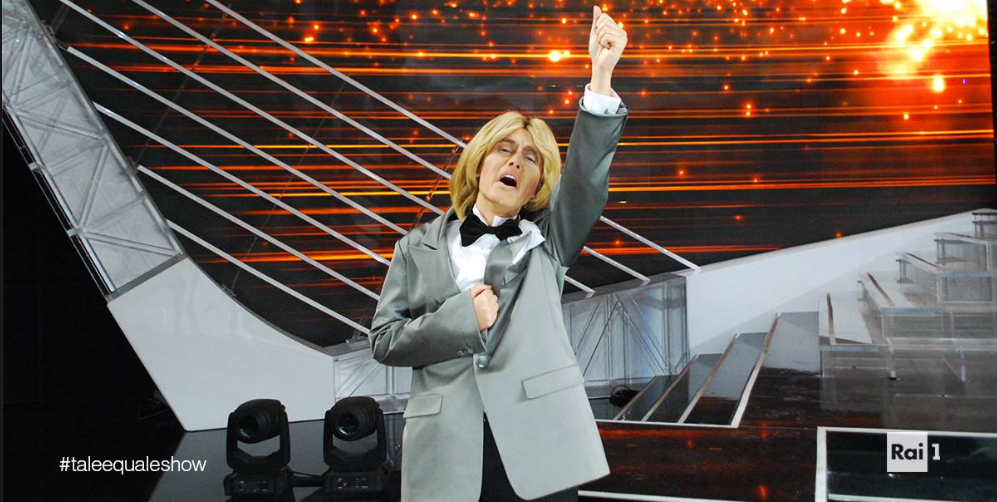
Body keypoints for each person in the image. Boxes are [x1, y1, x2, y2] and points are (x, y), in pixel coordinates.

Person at [369, 6, 629, 501]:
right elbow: (384, 341)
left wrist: (600, 75)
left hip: (540, 442)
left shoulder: (549, 240)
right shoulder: (414, 247)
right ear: (479, 163)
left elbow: (586, 177)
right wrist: (459, 320)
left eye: (531, 158)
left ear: (536, 185)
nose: (516, 162)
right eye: (504, 150)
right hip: (447, 449)